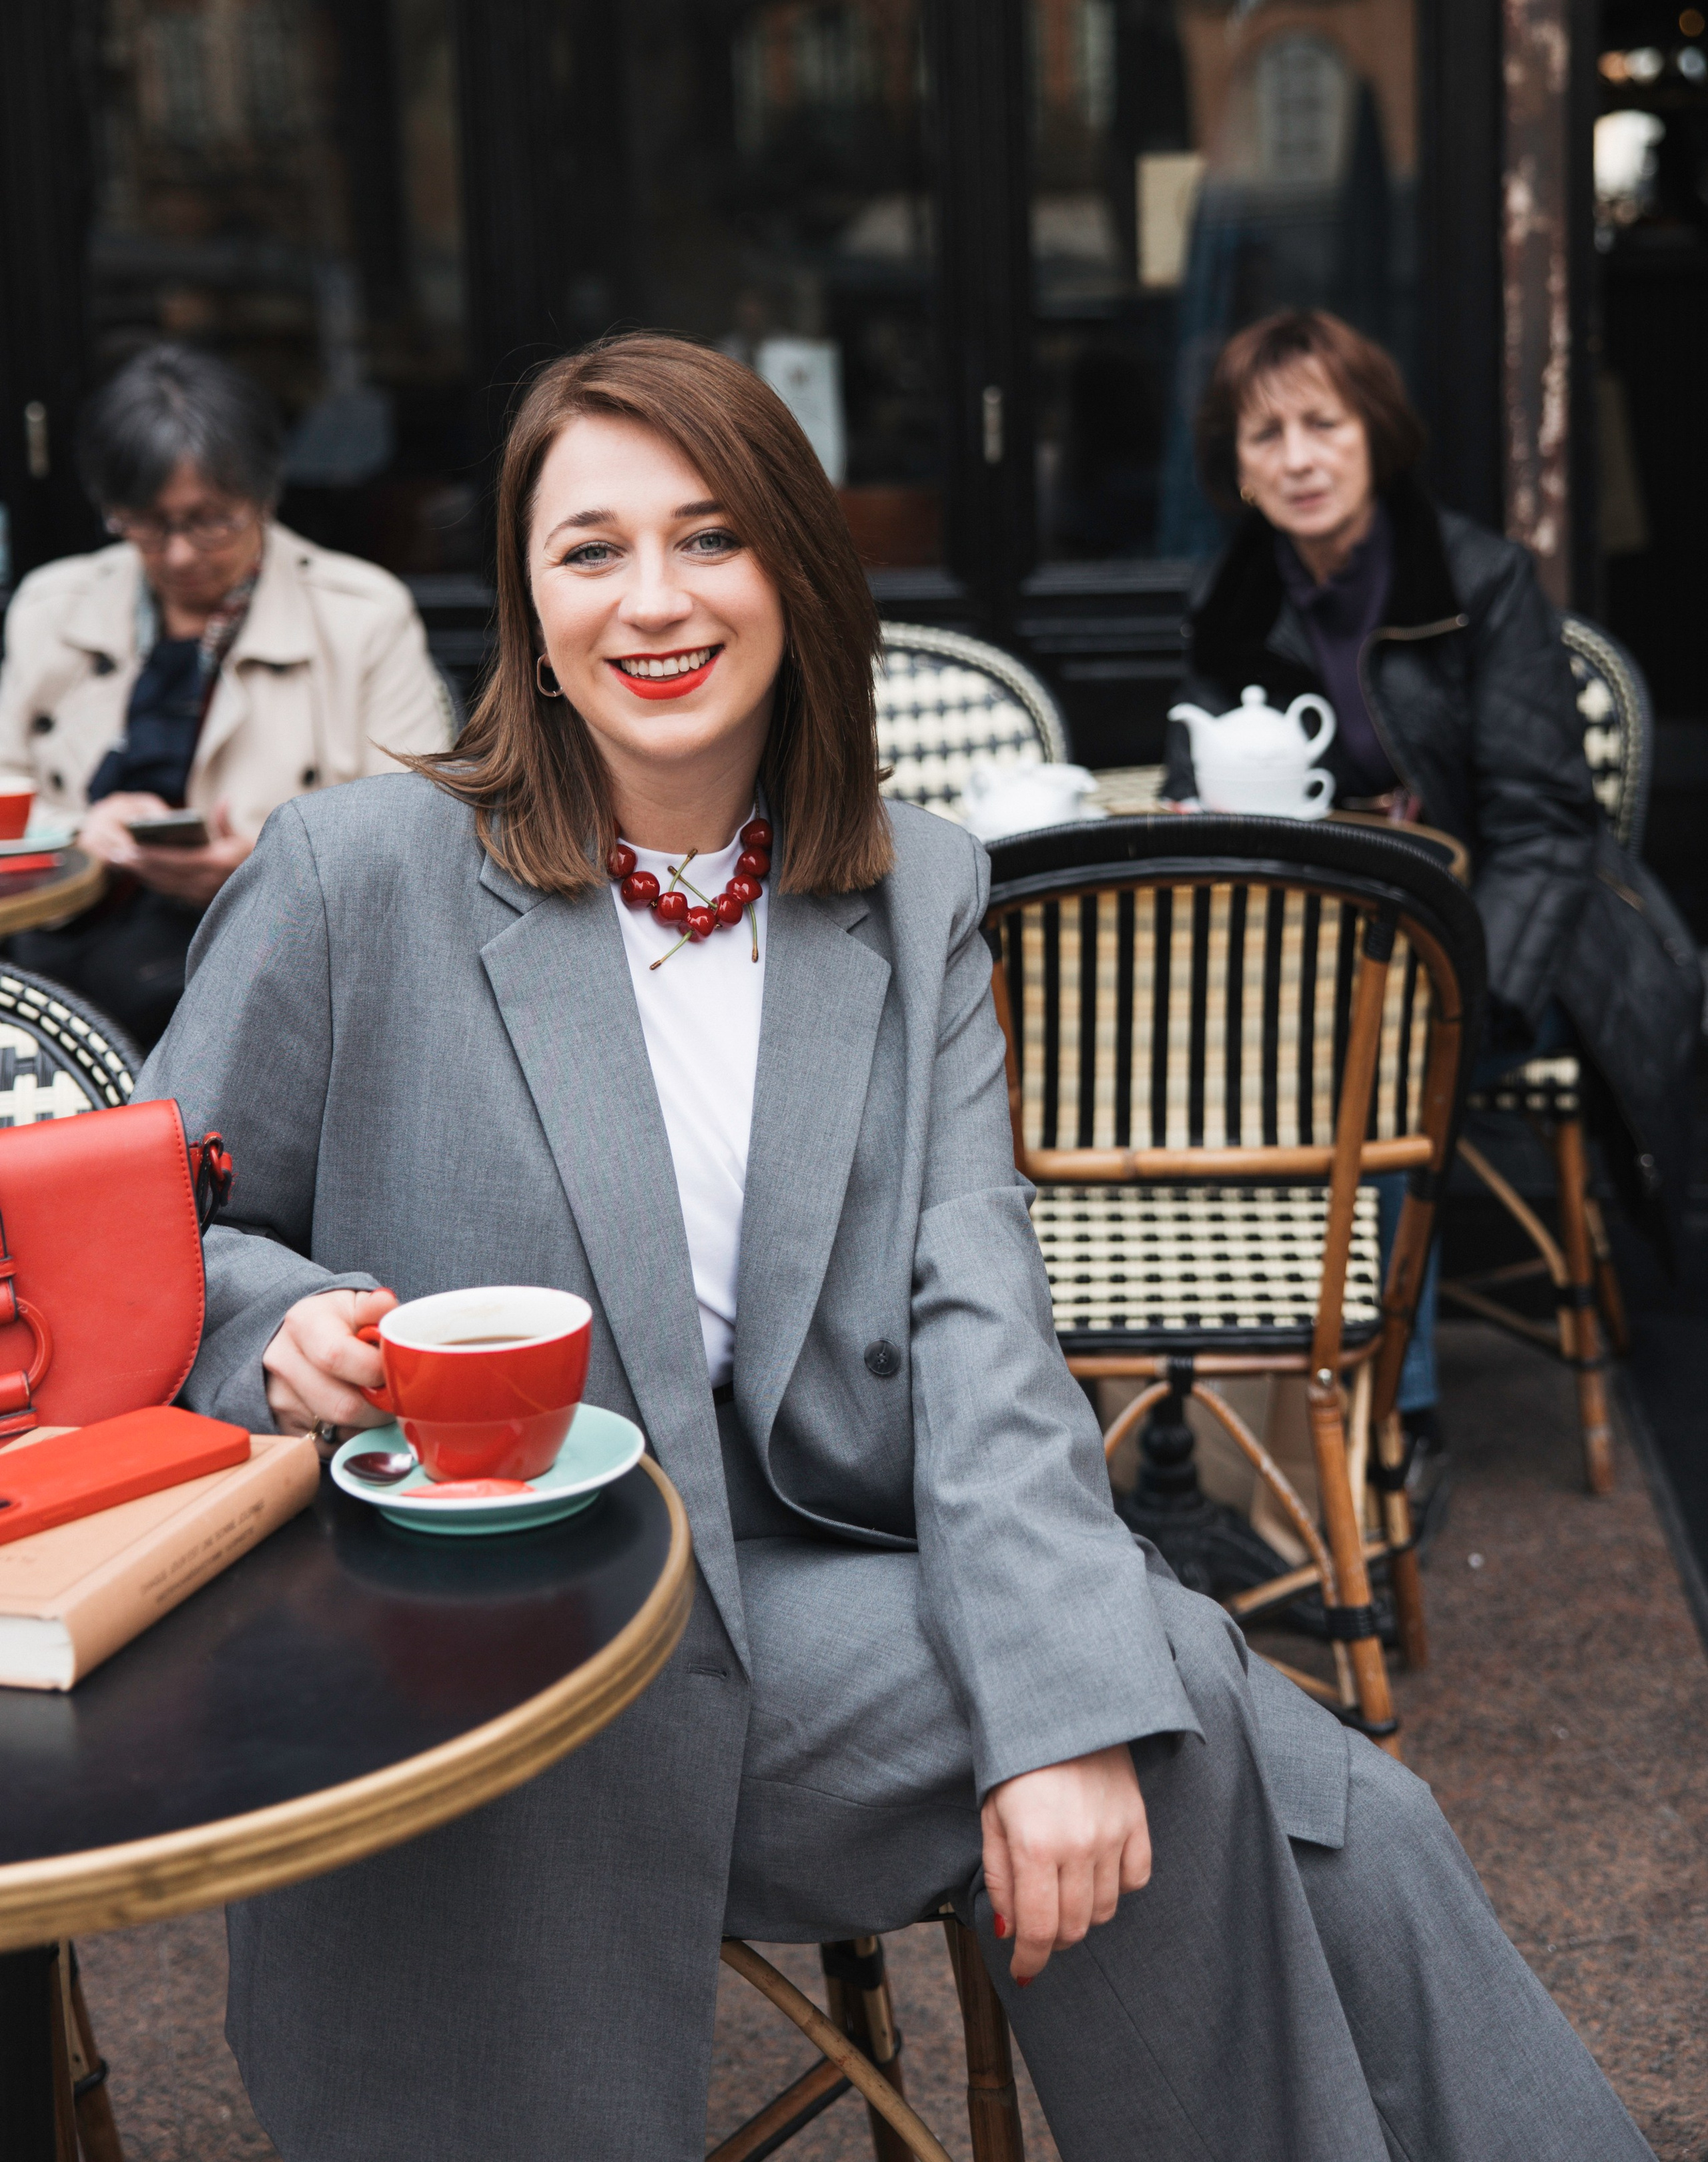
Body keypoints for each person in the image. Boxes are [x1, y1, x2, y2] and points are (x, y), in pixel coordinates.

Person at [142, 334, 1648, 2162]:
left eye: (709, 539)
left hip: (816, 1615)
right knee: (1229, 1725)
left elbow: (977, 1318)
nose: (655, 601)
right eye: (590, 550)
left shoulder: (915, 890)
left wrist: (1056, 1713)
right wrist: (282, 1329)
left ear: (794, 570)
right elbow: (154, 1241)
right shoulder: (350, 874)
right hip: (489, 1657)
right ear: (529, 612)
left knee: (1207, 1742)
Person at [1165, 308, 1699, 1476]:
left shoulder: (1480, 577)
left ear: (1376, 434)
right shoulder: (1239, 595)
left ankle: (1388, 1420)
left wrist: (1477, 990)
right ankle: (1198, 1397)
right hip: (1323, 960)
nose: (1298, 458)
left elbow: (1549, 824)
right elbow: (1196, 787)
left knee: (1384, 1068)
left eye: (1323, 423)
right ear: (1237, 468)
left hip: (1517, 946)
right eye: (1265, 437)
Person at [0, 343, 451, 1046]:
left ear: (266, 496)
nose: (178, 553)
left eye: (210, 520)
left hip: (281, 975)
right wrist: (77, 837)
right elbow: (8, 799)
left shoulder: (360, 614)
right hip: (71, 974)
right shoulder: (52, 607)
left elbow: (425, 832)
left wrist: (265, 867)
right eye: (145, 523)